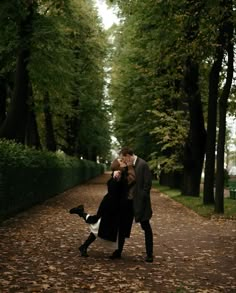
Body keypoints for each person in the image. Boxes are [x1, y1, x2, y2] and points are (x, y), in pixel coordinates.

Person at [69, 162, 135, 258]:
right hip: (110, 207)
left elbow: (125, 189)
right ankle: (84, 245)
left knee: (103, 226)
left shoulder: (124, 176)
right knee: (97, 225)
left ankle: (85, 245)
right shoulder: (115, 177)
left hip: (118, 208)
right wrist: (116, 179)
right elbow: (112, 192)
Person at [111, 146, 154, 263]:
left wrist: (142, 197)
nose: (123, 160)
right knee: (123, 226)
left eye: (124, 158)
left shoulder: (142, 164)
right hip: (128, 202)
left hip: (140, 202)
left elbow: (148, 184)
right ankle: (118, 251)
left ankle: (150, 254)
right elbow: (115, 168)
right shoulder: (126, 166)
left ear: (128, 156)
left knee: (146, 227)